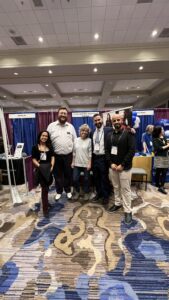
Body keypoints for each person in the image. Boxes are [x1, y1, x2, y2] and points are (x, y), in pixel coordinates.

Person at [105, 113, 135, 224]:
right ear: (112, 122)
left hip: (125, 168)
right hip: (113, 167)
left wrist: (122, 164)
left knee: (125, 189)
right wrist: (111, 163)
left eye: (118, 120)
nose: (116, 122)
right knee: (116, 187)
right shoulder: (109, 135)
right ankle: (118, 203)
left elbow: (131, 151)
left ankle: (127, 210)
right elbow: (107, 151)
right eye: (114, 121)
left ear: (122, 120)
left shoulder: (128, 133)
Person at [47, 107, 77, 200]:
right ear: (58, 114)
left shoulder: (71, 126)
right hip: (56, 156)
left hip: (68, 156)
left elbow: (75, 141)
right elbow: (47, 141)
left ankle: (68, 191)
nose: (63, 115)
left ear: (67, 115)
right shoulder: (51, 126)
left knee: (68, 174)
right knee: (57, 175)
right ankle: (59, 191)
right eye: (61, 113)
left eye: (64, 113)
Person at [32, 131, 55, 217]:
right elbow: (33, 159)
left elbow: (53, 157)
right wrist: (40, 166)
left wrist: (52, 166)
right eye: (43, 135)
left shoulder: (50, 146)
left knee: (47, 187)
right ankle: (45, 209)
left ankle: (46, 202)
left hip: (49, 169)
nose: (44, 137)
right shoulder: (35, 147)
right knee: (44, 188)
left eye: (46, 136)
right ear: (39, 136)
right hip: (40, 170)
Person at [91, 113, 112, 206]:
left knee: (104, 178)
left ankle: (105, 196)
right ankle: (99, 194)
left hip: (103, 158)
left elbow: (120, 131)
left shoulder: (109, 130)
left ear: (102, 120)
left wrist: (130, 130)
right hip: (95, 157)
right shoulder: (92, 132)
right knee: (96, 178)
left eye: (99, 120)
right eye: (95, 120)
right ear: (93, 122)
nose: (97, 122)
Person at [72, 124, 92, 201]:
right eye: (82, 130)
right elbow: (74, 152)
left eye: (86, 131)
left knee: (86, 179)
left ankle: (86, 192)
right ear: (79, 131)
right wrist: (72, 162)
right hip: (76, 163)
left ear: (88, 132)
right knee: (75, 179)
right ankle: (77, 191)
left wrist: (89, 163)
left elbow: (90, 153)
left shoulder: (89, 140)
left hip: (86, 163)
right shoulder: (76, 140)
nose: (84, 132)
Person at [152, 126, 169, 195]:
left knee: (164, 172)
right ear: (159, 131)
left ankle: (161, 186)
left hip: (165, 157)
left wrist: (167, 146)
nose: (163, 130)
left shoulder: (164, 137)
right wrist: (167, 146)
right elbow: (159, 148)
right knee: (158, 171)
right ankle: (157, 184)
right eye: (162, 129)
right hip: (159, 157)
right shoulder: (155, 139)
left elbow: (165, 147)